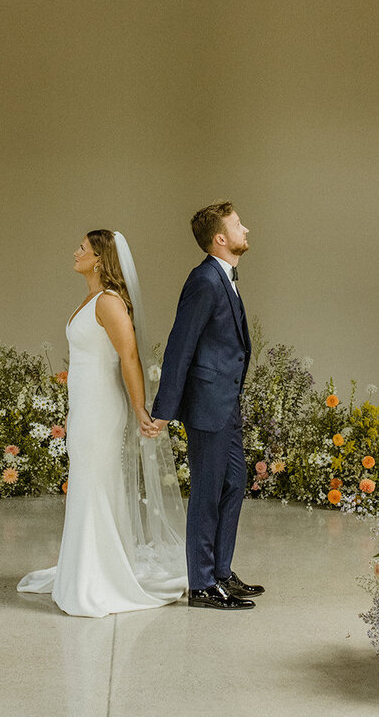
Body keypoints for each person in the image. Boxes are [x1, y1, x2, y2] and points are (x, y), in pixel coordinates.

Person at [18, 230, 187, 618]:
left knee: (94, 482)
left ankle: (97, 575)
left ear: (98, 259)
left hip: (100, 409)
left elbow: (128, 357)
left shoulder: (109, 302)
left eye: (83, 248)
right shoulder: (92, 299)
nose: (75, 252)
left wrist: (140, 408)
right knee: (87, 481)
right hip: (85, 405)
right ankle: (86, 566)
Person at [147, 202, 263, 610]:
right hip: (207, 405)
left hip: (225, 404)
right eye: (237, 225)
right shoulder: (205, 280)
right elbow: (181, 344)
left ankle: (221, 573)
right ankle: (201, 583)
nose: (245, 228)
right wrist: (164, 408)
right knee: (208, 491)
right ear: (220, 238)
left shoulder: (224, 277)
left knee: (233, 484)